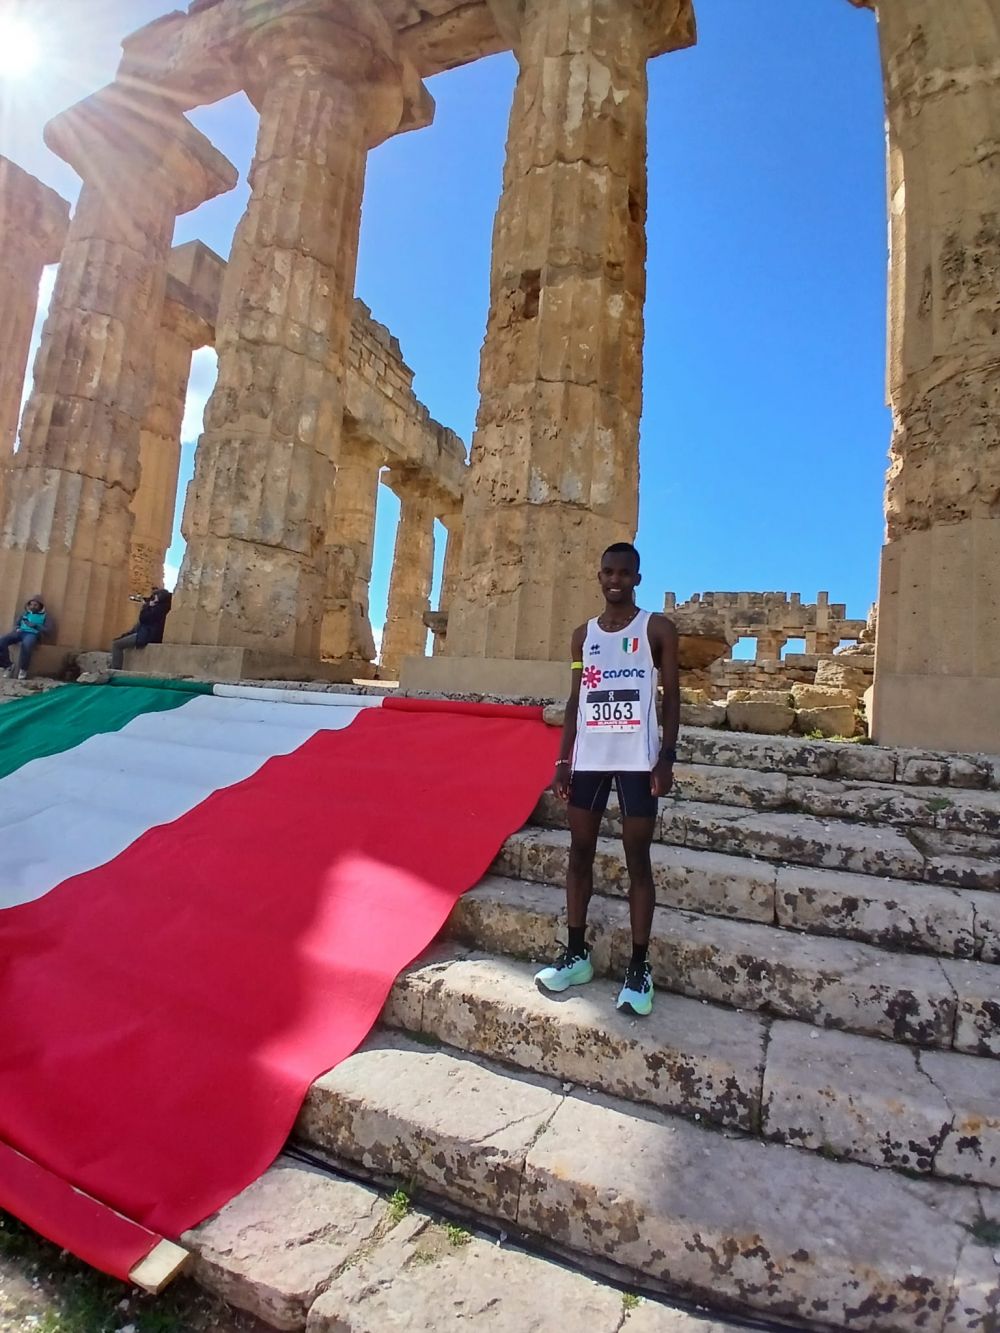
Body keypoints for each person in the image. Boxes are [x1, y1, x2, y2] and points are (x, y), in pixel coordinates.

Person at [534, 542, 680, 1016]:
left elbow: (672, 698)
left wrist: (666, 758)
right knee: (579, 853)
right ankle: (576, 954)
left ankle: (639, 968)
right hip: (590, 758)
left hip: (637, 759)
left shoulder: (656, 629)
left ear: (637, 578)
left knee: (638, 860)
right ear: (599, 577)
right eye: (608, 572)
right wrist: (563, 760)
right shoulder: (583, 636)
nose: (615, 580)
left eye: (624, 573)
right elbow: (576, 698)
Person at [110, 588, 173, 670]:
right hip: (147, 633)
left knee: (116, 645)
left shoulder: (158, 609)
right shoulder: (164, 608)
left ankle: (115, 669)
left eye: (155, 596)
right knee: (120, 640)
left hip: (147, 635)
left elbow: (143, 618)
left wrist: (147, 607)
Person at [0, 595, 50, 680]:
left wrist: (36, 626)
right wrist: (17, 628)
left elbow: (48, 630)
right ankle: (7, 665)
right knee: (2, 641)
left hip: (32, 633)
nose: (33, 607)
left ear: (40, 606)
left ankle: (23, 669)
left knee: (27, 645)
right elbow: (17, 623)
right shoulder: (24, 613)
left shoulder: (45, 616)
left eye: (35, 605)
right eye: (31, 604)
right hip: (20, 632)